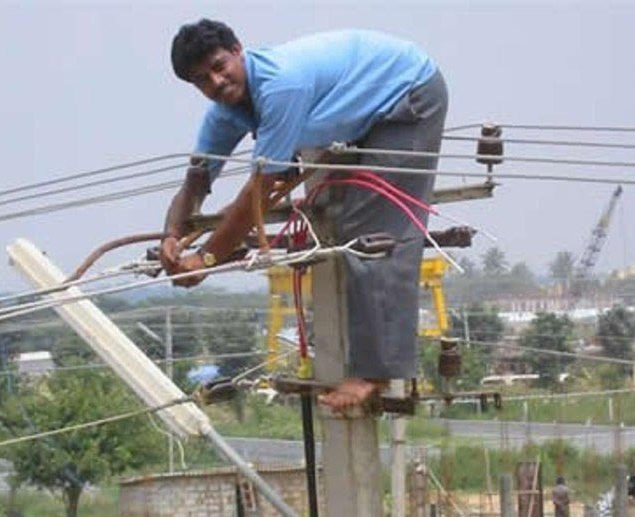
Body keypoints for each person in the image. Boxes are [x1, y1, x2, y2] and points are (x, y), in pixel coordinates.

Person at [160, 19, 448, 412]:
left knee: (371, 234)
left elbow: (260, 188)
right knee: (333, 218)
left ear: (238, 50)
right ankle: (361, 350)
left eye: (219, 66)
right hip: (361, 113)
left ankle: (374, 372)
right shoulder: (225, 110)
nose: (216, 82)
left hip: (407, 97)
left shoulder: (281, 86)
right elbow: (197, 178)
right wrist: (171, 236)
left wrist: (207, 257)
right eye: (202, 80)